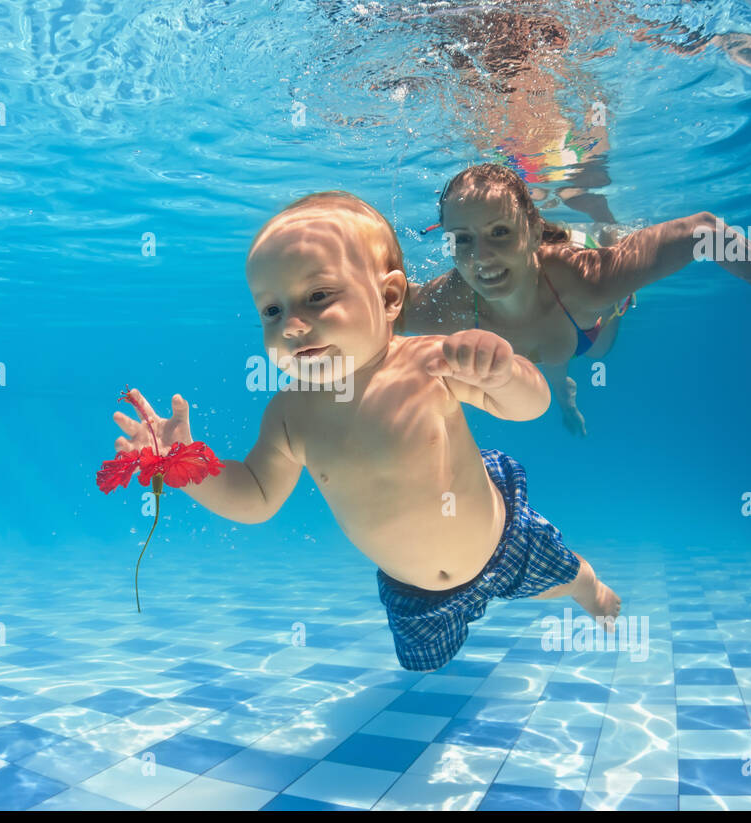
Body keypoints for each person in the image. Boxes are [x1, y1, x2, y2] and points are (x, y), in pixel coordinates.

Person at [111, 191, 620, 672]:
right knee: (423, 664)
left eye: (316, 296)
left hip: (502, 540)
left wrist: (506, 374)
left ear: (391, 296)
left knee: (559, 577)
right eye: (271, 310)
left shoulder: (429, 360)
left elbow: (529, 408)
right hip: (414, 592)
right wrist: (183, 465)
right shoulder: (290, 415)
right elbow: (257, 498)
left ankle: (589, 590)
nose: (290, 325)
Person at [405, 163, 751, 435]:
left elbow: (702, 231)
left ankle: (605, 228)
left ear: (531, 229)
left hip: (584, 317)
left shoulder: (591, 280)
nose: (480, 257)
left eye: (499, 232)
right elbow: (376, 305)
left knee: (596, 352)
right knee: (550, 362)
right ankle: (565, 399)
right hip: (549, 333)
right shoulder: (442, 305)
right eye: (462, 239)